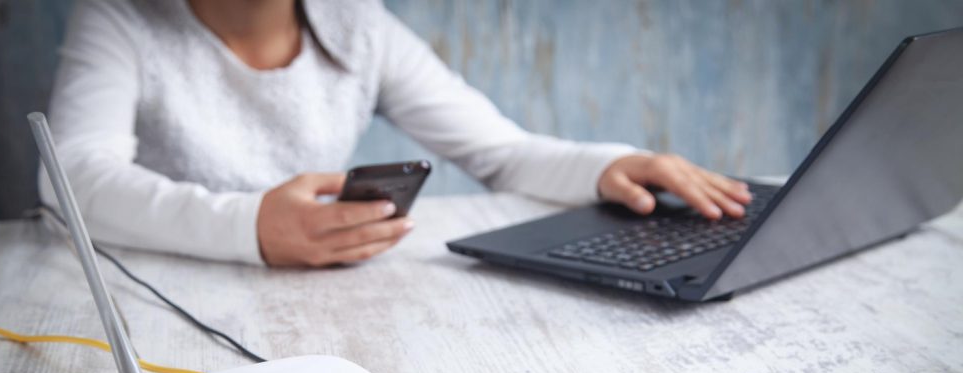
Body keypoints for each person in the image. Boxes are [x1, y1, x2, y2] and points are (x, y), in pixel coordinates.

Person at [41, 0, 752, 267]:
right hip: (155, 289)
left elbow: (499, 151)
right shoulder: (120, 19)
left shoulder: (359, 25)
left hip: (313, 309)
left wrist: (613, 165)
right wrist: (248, 226)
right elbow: (70, 177)